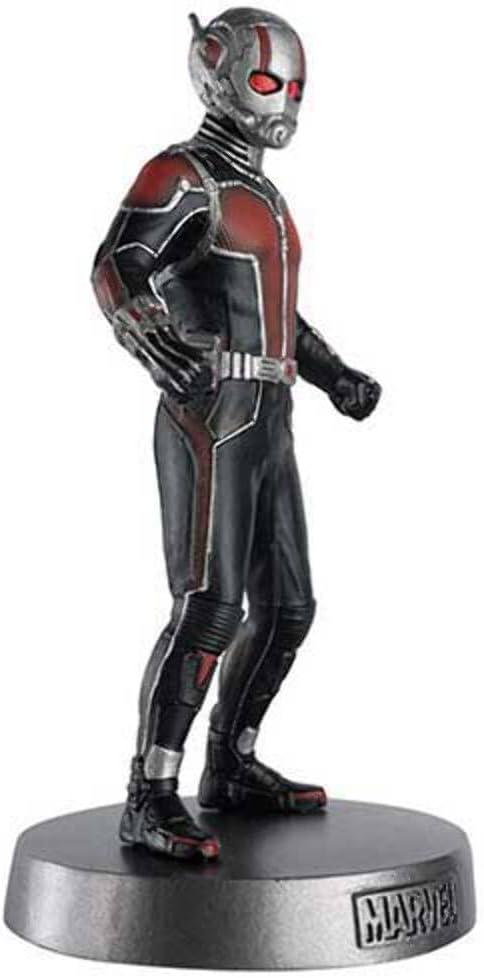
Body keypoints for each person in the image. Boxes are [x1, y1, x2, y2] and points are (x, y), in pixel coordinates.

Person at [92, 7, 381, 861]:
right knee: (211, 606)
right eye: (265, 80)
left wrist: (334, 374)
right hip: (211, 411)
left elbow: (277, 315)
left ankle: (230, 763)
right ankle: (151, 792)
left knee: (289, 608)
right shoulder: (184, 175)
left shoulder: (261, 194)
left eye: (294, 85)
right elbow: (118, 263)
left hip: (270, 412)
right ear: (217, 73)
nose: (281, 98)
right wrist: (153, 341)